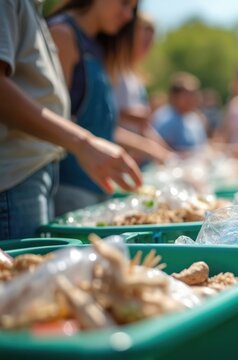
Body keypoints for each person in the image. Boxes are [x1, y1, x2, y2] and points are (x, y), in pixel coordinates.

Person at [0, 0, 141, 239]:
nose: (128, 16)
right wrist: (83, 143)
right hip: (32, 181)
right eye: (124, 3)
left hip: (45, 177)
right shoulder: (63, 33)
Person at [113, 11, 173, 166]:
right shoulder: (113, 70)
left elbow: (144, 127)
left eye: (150, 41)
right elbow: (104, 117)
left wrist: (166, 152)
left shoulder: (135, 77)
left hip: (133, 160)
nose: (147, 46)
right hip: (113, 158)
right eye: (143, 39)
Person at [153, 72, 208, 153]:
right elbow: (161, 151)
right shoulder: (165, 118)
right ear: (174, 96)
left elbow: (202, 147)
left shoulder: (195, 119)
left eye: (194, 94)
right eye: (187, 95)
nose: (193, 99)